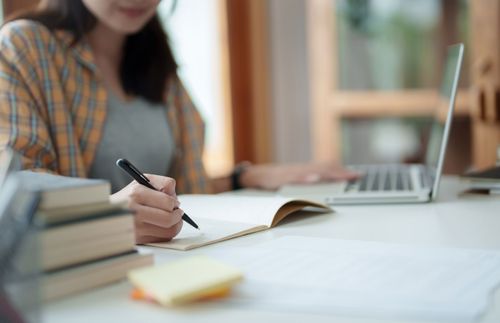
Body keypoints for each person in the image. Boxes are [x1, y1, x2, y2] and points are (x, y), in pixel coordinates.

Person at [0, 0, 357, 244]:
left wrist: (243, 177)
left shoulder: (155, 58)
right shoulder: (23, 47)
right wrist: (105, 215)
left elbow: (181, 188)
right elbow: (15, 193)